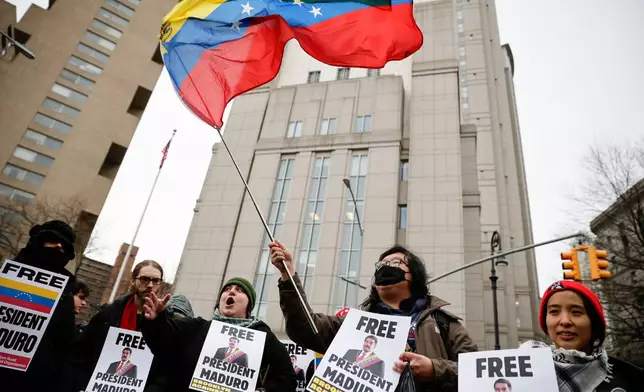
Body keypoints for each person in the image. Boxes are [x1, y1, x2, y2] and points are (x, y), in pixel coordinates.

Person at [271, 241, 478, 391]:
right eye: (380, 265)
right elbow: (306, 328)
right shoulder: (354, 325)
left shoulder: (443, 323)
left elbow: (476, 373)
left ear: (414, 275)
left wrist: (434, 369)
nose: (386, 267)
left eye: (396, 262)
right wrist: (288, 274)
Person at [140, 277, 298, 392]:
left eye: (239, 291)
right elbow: (163, 341)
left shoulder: (262, 336)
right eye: (227, 290)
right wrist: (156, 320)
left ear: (248, 306)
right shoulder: (198, 327)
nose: (232, 292)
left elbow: (287, 378)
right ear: (220, 301)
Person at [520, 280, 642, 392]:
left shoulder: (631, 378)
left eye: (576, 312)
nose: (565, 321)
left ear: (593, 322)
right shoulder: (521, 376)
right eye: (554, 312)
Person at [0, 220, 77, 392]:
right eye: (52, 240)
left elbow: (65, 348)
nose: (58, 246)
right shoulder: (3, 278)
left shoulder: (65, 296)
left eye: (64, 245)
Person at [73, 260, 165, 390]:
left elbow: (165, 370)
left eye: (156, 281)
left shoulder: (166, 324)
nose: (150, 285)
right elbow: (81, 355)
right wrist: (83, 385)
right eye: (145, 279)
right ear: (133, 280)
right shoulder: (107, 315)